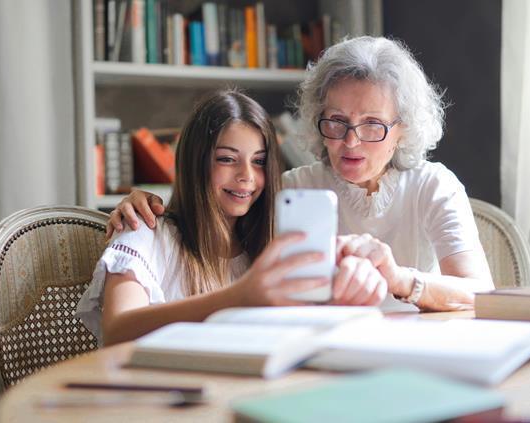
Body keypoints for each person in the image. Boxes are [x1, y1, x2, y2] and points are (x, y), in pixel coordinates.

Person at [107, 36, 495, 312]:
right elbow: (211, 219)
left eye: (373, 125)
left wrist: (399, 279)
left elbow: (480, 293)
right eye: (336, 122)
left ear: (403, 129)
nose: (351, 142)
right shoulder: (290, 189)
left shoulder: (433, 185)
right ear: (316, 119)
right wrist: (141, 203)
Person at [76, 90, 387, 346]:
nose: (246, 177)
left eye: (259, 162)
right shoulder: (145, 230)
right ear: (195, 162)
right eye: (227, 159)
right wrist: (238, 297)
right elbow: (117, 330)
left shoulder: (269, 245)